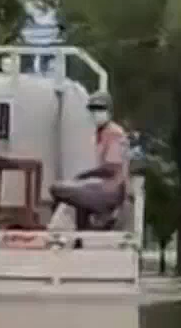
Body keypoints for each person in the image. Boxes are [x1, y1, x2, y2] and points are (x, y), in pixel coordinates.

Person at [49, 91, 130, 231]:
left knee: (58, 189)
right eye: (93, 109)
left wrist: (84, 176)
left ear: (109, 111)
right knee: (79, 198)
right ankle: (82, 233)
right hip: (102, 186)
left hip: (111, 189)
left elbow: (111, 168)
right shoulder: (100, 133)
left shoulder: (115, 133)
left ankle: (104, 214)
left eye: (100, 109)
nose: (96, 113)